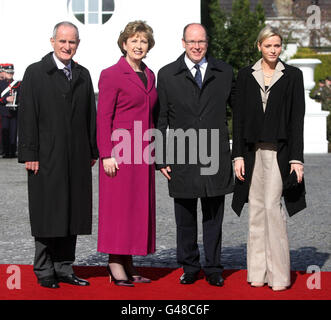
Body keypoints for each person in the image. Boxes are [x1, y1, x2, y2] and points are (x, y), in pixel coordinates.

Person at [18, 21, 98, 289]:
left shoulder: (84, 74)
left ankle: (64, 267)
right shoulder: (35, 73)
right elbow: (27, 115)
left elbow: (90, 116)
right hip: (46, 155)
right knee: (47, 212)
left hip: (76, 155)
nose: (67, 46)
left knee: (72, 211)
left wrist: (92, 149)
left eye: (72, 42)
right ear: (52, 41)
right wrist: (29, 152)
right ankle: (44, 269)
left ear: (78, 44)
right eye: (62, 41)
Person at [155, 23, 234, 287]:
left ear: (207, 43)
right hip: (181, 154)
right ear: (183, 43)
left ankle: (213, 268)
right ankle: (189, 266)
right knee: (185, 217)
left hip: (215, 153)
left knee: (213, 217)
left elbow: (240, 112)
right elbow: (162, 119)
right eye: (192, 42)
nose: (197, 47)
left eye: (201, 42)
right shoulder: (166, 74)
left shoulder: (224, 71)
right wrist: (161, 158)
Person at [231, 25, 306, 291]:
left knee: (273, 210)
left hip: (280, 153)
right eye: (268, 45)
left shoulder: (293, 75)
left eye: (277, 45)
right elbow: (238, 120)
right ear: (259, 46)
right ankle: (257, 273)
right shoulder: (244, 75)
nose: (273, 50)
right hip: (251, 153)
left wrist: (297, 159)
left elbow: (297, 120)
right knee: (256, 212)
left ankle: (279, 277)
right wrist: (237, 155)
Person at [97, 20, 157, 287]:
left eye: (143, 41)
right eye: (134, 40)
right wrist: (106, 154)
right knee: (118, 210)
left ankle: (129, 261)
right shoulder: (111, 74)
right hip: (119, 155)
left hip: (142, 154)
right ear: (124, 44)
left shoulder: (150, 75)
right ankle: (114, 263)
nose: (138, 45)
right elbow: (103, 118)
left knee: (137, 209)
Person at [0, 64, 20, 158]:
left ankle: (12, 151)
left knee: (13, 132)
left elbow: (21, 96)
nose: (10, 74)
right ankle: (5, 151)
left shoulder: (18, 84)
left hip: (14, 112)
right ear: (4, 72)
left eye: (11, 73)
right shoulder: (1, 84)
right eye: (8, 73)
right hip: (4, 112)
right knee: (4, 132)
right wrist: (6, 99)